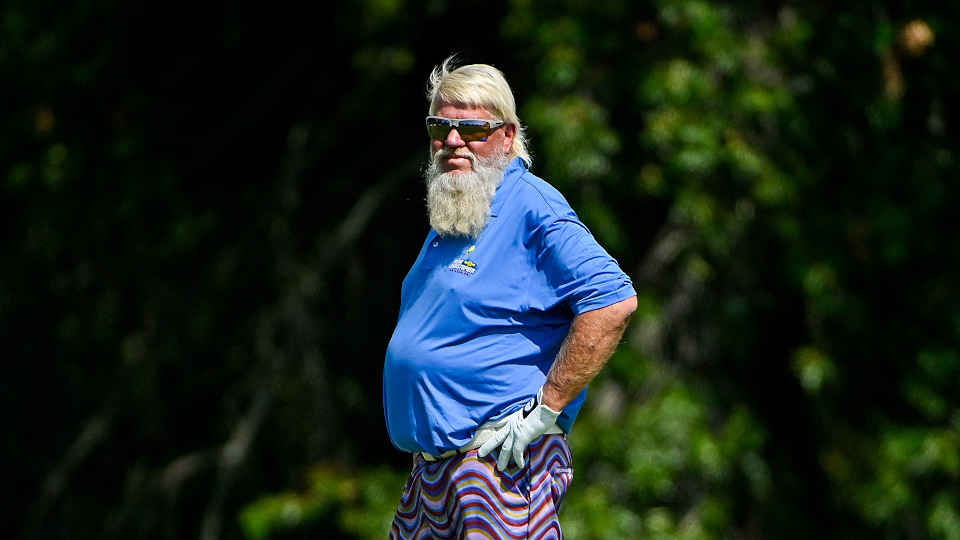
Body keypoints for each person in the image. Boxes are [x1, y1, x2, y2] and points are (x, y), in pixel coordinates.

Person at [383, 56, 637, 539]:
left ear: (507, 134)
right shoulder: (459, 209)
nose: (453, 142)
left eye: (473, 130)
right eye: (441, 126)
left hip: (499, 462)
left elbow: (613, 301)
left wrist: (546, 410)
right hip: (433, 472)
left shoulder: (531, 206)